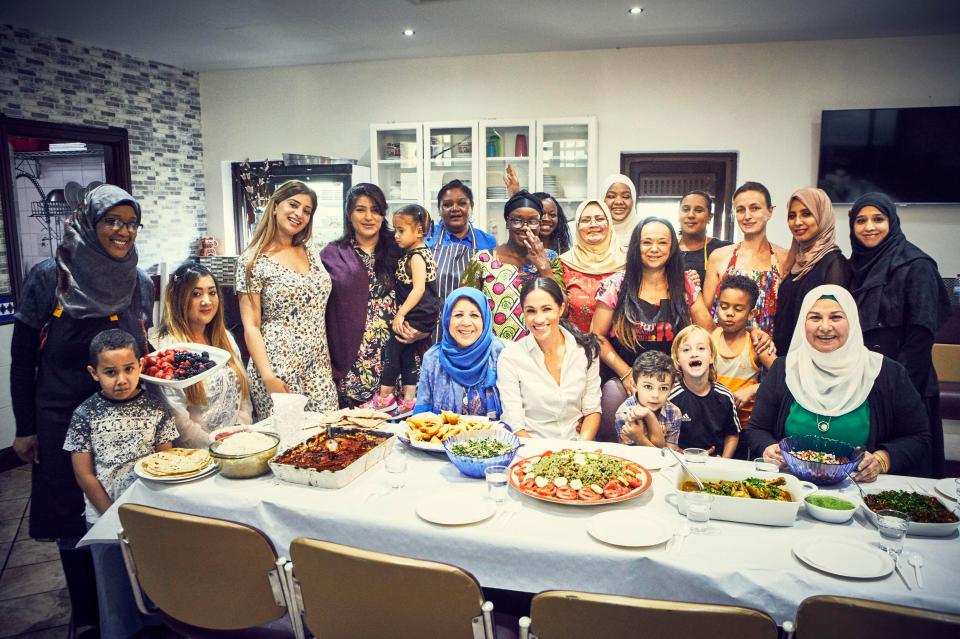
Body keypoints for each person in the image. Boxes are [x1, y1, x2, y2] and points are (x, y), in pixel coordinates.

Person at [11, 184, 155, 632]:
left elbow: (143, 351)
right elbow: (22, 359)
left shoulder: (139, 281)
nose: (123, 231)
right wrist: (25, 426)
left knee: (131, 506)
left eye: (131, 223)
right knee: (73, 515)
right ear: (90, 222)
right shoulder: (47, 277)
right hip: (59, 415)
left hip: (126, 418)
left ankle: (138, 605)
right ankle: (88, 617)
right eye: (113, 220)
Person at [744, 285, 931, 480]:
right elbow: (757, 429)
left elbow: (919, 437)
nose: (825, 327)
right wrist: (768, 448)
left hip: (859, 488)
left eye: (836, 317)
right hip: (791, 484)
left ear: (852, 321)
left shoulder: (886, 373)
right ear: (803, 323)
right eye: (815, 317)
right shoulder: (784, 368)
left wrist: (882, 459)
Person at [64, 329, 178, 639]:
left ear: (140, 365)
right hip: (104, 516)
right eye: (110, 372)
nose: (122, 379)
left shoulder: (157, 408)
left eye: (129, 369)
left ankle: (160, 626)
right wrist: (112, 513)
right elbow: (84, 474)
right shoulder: (84, 415)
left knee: (153, 576)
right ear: (94, 373)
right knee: (113, 583)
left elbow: (164, 463)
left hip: (148, 513)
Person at [847, 193, 951, 477]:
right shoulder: (857, 266)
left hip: (906, 384)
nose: (869, 227)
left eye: (878, 219)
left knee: (903, 468)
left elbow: (920, 336)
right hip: (866, 382)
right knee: (868, 471)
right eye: (861, 221)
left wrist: (898, 389)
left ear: (892, 222)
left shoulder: (917, 265)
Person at [237, 180, 337, 417]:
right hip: (277, 365)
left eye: (307, 210)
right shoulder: (252, 261)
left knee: (328, 436)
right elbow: (251, 325)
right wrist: (268, 377)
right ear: (275, 206)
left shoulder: (311, 251)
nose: (299, 214)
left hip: (318, 364)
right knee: (288, 445)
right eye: (293, 205)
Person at [321, 184, 427, 407]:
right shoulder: (332, 254)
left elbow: (426, 290)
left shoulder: (402, 249)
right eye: (361, 209)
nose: (369, 217)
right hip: (353, 363)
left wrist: (422, 330)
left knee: (401, 433)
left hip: (399, 357)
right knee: (357, 436)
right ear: (349, 214)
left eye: (376, 210)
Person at [591, 217, 711, 393]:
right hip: (624, 382)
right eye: (646, 242)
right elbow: (596, 337)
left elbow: (710, 332)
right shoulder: (615, 285)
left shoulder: (686, 284)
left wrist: (748, 333)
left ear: (672, 247)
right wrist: (626, 374)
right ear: (635, 246)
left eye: (662, 242)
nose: (654, 249)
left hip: (674, 383)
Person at [150, 262, 252, 446]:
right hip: (197, 455)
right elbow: (177, 418)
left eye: (212, 292)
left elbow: (243, 397)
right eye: (196, 294)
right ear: (178, 299)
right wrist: (214, 446)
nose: (207, 301)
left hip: (236, 446)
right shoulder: (165, 350)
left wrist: (240, 434)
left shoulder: (225, 338)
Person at [497, 278, 601, 439]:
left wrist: (580, 450)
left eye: (546, 309)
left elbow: (592, 410)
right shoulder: (510, 357)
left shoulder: (586, 350)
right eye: (531, 311)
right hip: (532, 451)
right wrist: (541, 459)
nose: (539, 319)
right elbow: (514, 423)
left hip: (579, 449)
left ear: (561, 308)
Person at [365, 204, 440, 413]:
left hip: (418, 314)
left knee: (393, 351)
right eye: (395, 229)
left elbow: (418, 290)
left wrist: (400, 314)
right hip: (423, 314)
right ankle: (409, 399)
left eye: (401, 231)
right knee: (407, 354)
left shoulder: (416, 256)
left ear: (419, 231)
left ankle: (384, 397)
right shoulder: (416, 252)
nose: (396, 235)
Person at [461, 191, 564, 341]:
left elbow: (564, 308)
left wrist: (544, 268)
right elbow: (464, 308)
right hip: (495, 351)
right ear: (507, 222)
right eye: (517, 220)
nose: (525, 227)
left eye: (533, 221)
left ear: (540, 224)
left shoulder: (550, 258)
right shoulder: (482, 260)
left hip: (541, 350)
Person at [703, 181, 789, 337]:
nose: (747, 216)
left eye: (755, 208)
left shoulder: (785, 258)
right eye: (741, 210)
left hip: (767, 354)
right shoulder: (719, 256)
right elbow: (706, 312)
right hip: (723, 352)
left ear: (770, 212)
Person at [772, 187, 849, 355]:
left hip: (812, 363)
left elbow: (832, 327)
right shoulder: (795, 260)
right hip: (785, 359)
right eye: (792, 216)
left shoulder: (833, 264)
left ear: (822, 217)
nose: (797, 222)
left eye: (806, 214)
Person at [413, 287, 506, 417]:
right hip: (444, 436)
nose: (466, 322)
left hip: (496, 437)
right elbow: (422, 416)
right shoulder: (433, 358)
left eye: (474, 315)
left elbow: (515, 414)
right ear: (447, 319)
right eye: (458, 315)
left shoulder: (501, 354)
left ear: (485, 320)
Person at [425, 180, 497, 343]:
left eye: (462, 203)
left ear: (471, 206)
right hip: (433, 327)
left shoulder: (487, 242)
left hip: (472, 327)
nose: (455, 209)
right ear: (439, 209)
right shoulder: (427, 239)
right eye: (447, 204)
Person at [711, 275, 777, 433]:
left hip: (744, 426)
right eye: (724, 306)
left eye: (738, 309)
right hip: (712, 422)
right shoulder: (710, 338)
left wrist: (753, 390)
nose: (729, 313)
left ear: (751, 314)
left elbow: (782, 379)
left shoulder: (757, 344)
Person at [668, 325, 740, 458]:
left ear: (712, 357)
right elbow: (662, 438)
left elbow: (732, 434)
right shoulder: (670, 397)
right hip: (680, 462)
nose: (694, 354)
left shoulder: (725, 396)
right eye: (686, 350)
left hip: (715, 466)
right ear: (678, 360)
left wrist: (724, 461)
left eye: (701, 348)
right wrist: (683, 455)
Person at [559, 199, 626, 334]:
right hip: (577, 347)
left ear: (609, 223)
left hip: (622, 350)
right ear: (577, 226)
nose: (593, 224)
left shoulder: (629, 261)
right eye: (585, 220)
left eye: (600, 219)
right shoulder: (564, 263)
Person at [614, 350, 682, 448]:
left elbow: (669, 456)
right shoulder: (625, 413)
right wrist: (640, 438)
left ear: (671, 388)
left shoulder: (674, 412)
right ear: (634, 384)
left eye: (663, 388)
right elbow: (632, 457)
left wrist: (649, 417)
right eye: (648, 386)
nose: (655, 395)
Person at [677, 190, 731, 284]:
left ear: (710, 217)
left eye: (698, 210)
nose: (690, 215)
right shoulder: (667, 247)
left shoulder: (724, 249)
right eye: (685, 209)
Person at [600, 173, 639, 250]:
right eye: (611, 196)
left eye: (626, 196)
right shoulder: (593, 229)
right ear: (602, 199)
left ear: (633, 200)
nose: (619, 202)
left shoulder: (644, 230)